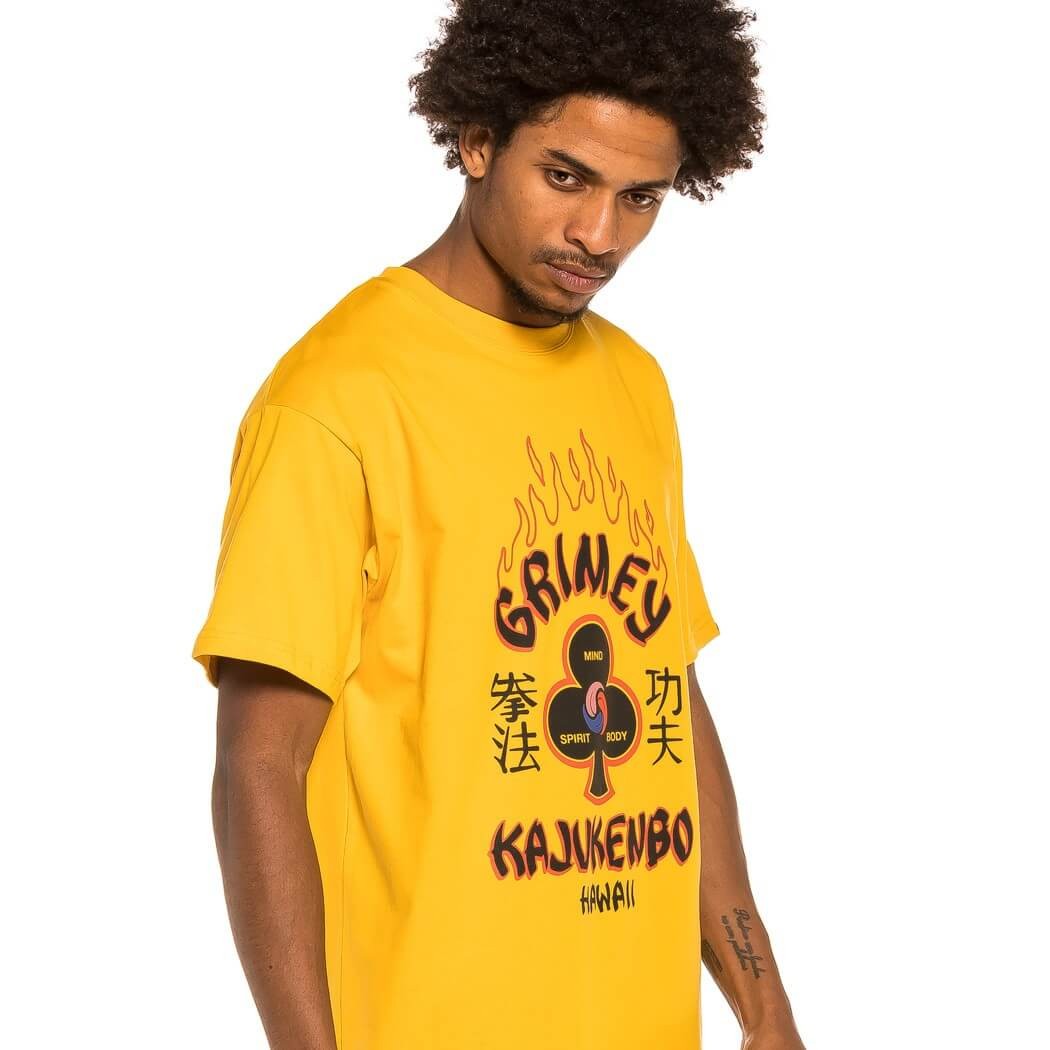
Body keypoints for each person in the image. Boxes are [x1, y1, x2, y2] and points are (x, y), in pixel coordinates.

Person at [191, 2, 805, 1048]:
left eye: (641, 198)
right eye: (565, 177)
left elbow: (667, 689)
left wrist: (764, 1004)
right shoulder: (338, 398)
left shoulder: (635, 384)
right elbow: (261, 766)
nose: (600, 236)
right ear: (478, 142)